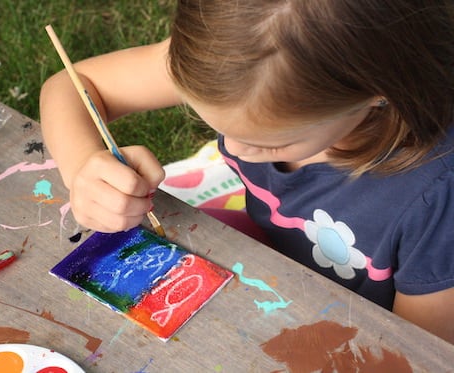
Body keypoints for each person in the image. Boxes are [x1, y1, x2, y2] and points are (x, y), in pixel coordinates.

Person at [40, 0, 454, 344]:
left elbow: (417, 351)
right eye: (217, 127)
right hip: (272, 254)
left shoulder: (436, 193)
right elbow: (74, 84)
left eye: (271, 143)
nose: (234, 151)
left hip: (364, 326)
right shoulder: (239, 61)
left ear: (376, 95)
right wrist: (82, 169)